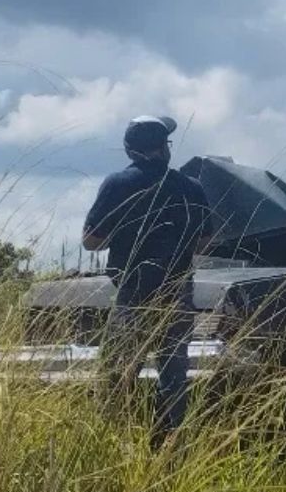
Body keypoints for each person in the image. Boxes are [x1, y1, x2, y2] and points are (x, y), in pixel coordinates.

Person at [82, 115, 213, 448]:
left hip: (133, 293)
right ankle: (172, 447)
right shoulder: (190, 187)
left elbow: (91, 241)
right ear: (164, 149)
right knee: (174, 379)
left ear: (129, 149)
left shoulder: (117, 185)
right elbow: (204, 243)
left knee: (117, 375)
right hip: (177, 293)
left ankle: (111, 444)